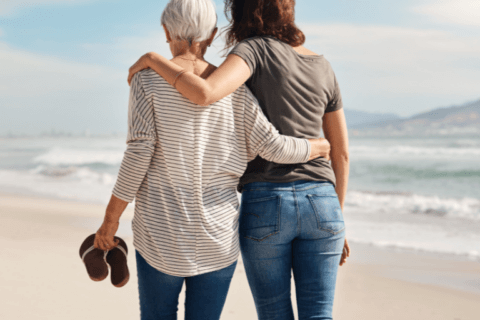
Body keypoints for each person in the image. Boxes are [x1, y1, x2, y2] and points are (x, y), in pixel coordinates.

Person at [93, 1, 331, 319]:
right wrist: (319, 147)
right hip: (217, 239)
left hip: (160, 236)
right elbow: (275, 148)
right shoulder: (236, 92)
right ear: (213, 34)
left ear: (166, 30)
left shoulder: (147, 80)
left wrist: (111, 221)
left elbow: (139, 154)